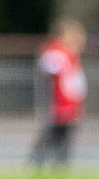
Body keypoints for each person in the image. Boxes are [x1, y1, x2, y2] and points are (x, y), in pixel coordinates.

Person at [31, 17, 86, 170]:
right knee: (53, 135)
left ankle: (57, 166)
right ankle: (38, 164)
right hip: (59, 104)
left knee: (63, 137)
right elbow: (50, 72)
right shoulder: (57, 52)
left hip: (68, 104)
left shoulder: (69, 54)